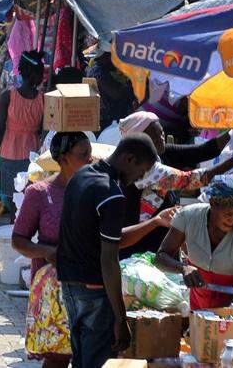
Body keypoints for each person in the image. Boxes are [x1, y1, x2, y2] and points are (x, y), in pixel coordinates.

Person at [56, 134, 160, 368]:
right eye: (141, 171)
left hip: (69, 285)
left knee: (80, 360)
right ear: (129, 159)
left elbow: (107, 239)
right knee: (96, 362)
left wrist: (154, 222)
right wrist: (121, 319)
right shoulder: (112, 194)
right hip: (94, 291)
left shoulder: (80, 176)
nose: (140, 178)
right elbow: (109, 260)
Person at [118, 111, 233, 257]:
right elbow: (191, 179)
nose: (162, 138)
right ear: (141, 141)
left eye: (162, 132)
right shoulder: (145, 169)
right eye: (156, 136)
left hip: (158, 237)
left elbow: (203, 151)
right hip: (138, 245)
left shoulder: (160, 154)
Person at [11, 132, 92, 368]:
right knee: (57, 356)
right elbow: (18, 240)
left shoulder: (95, 190)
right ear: (64, 158)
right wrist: (48, 252)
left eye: (90, 154)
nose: (90, 160)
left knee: (90, 354)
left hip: (90, 285)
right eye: (83, 155)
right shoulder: (40, 193)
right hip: (53, 290)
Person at [155, 175, 233, 310]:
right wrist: (183, 267)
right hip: (200, 303)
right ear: (212, 204)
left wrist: (220, 311)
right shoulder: (188, 216)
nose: (232, 220)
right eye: (228, 214)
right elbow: (161, 257)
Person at [0, 51, 45, 207]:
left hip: (9, 151)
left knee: (12, 200)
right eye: (40, 73)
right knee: (28, 197)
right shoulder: (43, 99)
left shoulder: (7, 96)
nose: (42, 77)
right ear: (32, 73)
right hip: (32, 153)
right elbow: (42, 130)